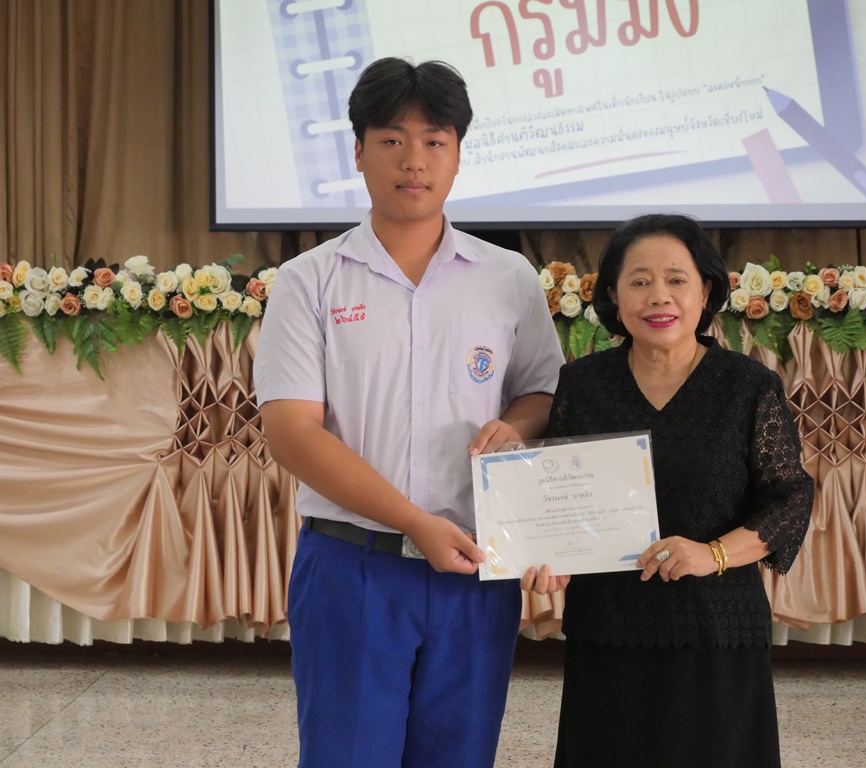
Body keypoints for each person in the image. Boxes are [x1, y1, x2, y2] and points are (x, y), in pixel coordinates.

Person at [253, 57, 565, 768]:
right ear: (358, 152)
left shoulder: (508, 277)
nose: (413, 160)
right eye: (392, 139)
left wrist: (516, 425)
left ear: (458, 154)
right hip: (353, 566)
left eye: (434, 141)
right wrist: (415, 522)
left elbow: (542, 394)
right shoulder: (310, 281)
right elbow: (292, 433)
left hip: (474, 571)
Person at [522, 213, 814, 768]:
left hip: (715, 627)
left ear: (705, 291)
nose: (659, 296)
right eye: (640, 280)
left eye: (677, 279)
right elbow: (558, 496)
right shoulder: (583, 384)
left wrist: (713, 553)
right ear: (614, 294)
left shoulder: (747, 385)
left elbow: (790, 497)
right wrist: (547, 557)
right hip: (609, 626)